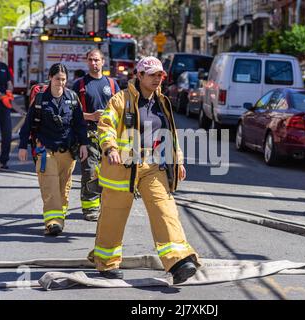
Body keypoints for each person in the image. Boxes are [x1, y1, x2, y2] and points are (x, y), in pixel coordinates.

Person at [89, 56, 200, 284]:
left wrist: (177, 161)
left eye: (160, 75)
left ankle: (178, 261)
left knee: (165, 209)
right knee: (113, 216)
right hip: (121, 168)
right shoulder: (121, 100)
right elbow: (105, 125)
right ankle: (106, 262)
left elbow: (171, 136)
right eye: (152, 75)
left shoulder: (163, 102)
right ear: (138, 76)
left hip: (153, 166)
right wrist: (110, 148)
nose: (157, 79)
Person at [18, 63, 89, 236]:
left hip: (67, 150)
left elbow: (80, 124)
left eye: (64, 79)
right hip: (45, 149)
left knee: (63, 186)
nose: (61, 82)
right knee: (49, 185)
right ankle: (53, 222)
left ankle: (59, 216)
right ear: (50, 78)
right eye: (57, 79)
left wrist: (84, 144)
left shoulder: (72, 98)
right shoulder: (41, 99)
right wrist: (22, 146)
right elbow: (27, 125)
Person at [73, 49, 120, 221]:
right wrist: (91, 116)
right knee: (90, 170)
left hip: (109, 134)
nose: (94, 63)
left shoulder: (113, 84)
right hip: (88, 132)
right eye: (91, 60)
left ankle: (106, 206)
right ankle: (90, 208)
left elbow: (121, 110)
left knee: (110, 171)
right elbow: (71, 112)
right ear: (87, 62)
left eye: (97, 60)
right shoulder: (79, 85)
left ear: (103, 61)